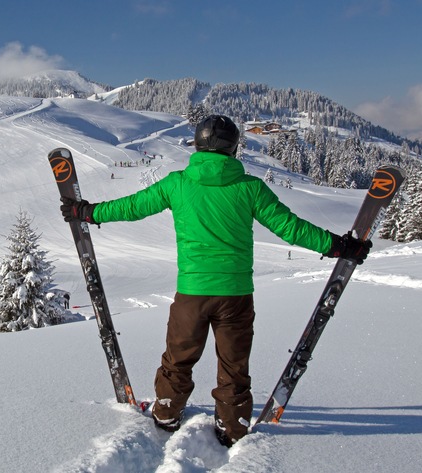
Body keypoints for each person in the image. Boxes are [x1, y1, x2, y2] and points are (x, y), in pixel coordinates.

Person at [59, 115, 371, 447]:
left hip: (192, 295)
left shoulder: (177, 183)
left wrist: (87, 212)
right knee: (234, 366)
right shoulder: (250, 188)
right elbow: (291, 228)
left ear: (197, 144)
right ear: (234, 148)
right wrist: (339, 246)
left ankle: (166, 413)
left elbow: (133, 207)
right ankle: (233, 427)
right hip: (236, 296)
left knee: (178, 360)